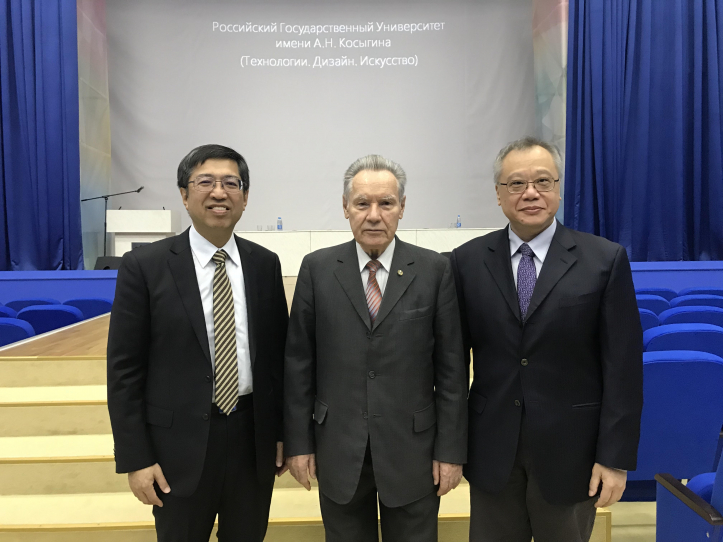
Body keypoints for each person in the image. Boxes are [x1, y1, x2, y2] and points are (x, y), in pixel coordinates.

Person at [451, 136, 643, 542]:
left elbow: (623, 368)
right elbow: (451, 365)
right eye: (516, 184)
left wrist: (615, 458)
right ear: (499, 196)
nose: (531, 193)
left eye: (542, 181)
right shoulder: (465, 262)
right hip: (491, 450)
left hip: (573, 452)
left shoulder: (604, 260)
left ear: (559, 188)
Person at [107, 144, 289, 542]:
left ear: (245, 196)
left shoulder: (265, 264)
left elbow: (275, 360)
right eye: (205, 182)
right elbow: (124, 371)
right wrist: (136, 458)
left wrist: (280, 433)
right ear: (184, 195)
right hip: (176, 450)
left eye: (231, 183)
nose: (219, 192)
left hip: (250, 442)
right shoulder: (145, 267)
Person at [283, 154, 468, 542]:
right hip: (338, 448)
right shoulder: (317, 269)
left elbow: (451, 370)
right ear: (345, 209)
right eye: (362, 203)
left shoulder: (434, 270)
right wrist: (299, 444)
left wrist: (451, 452)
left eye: (386, 203)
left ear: (402, 208)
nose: (373, 214)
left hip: (413, 452)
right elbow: (299, 364)